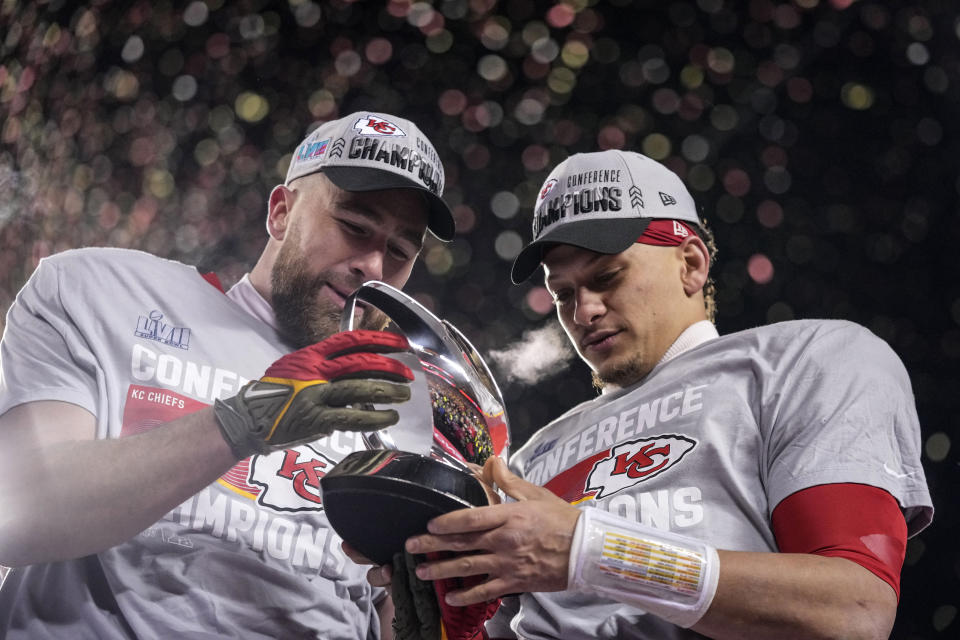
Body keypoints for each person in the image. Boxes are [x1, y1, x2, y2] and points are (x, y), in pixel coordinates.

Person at [384, 150, 934, 639]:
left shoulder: (806, 358)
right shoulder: (529, 458)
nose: (584, 312)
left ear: (691, 263)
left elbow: (851, 610)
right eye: (564, 293)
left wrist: (593, 551)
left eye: (607, 277)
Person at [0, 111, 455, 639]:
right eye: (354, 226)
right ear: (282, 212)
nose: (373, 267)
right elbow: (15, 514)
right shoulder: (101, 291)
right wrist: (242, 423)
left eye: (399, 251)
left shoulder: (410, 406)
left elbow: (384, 606)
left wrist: (440, 622)